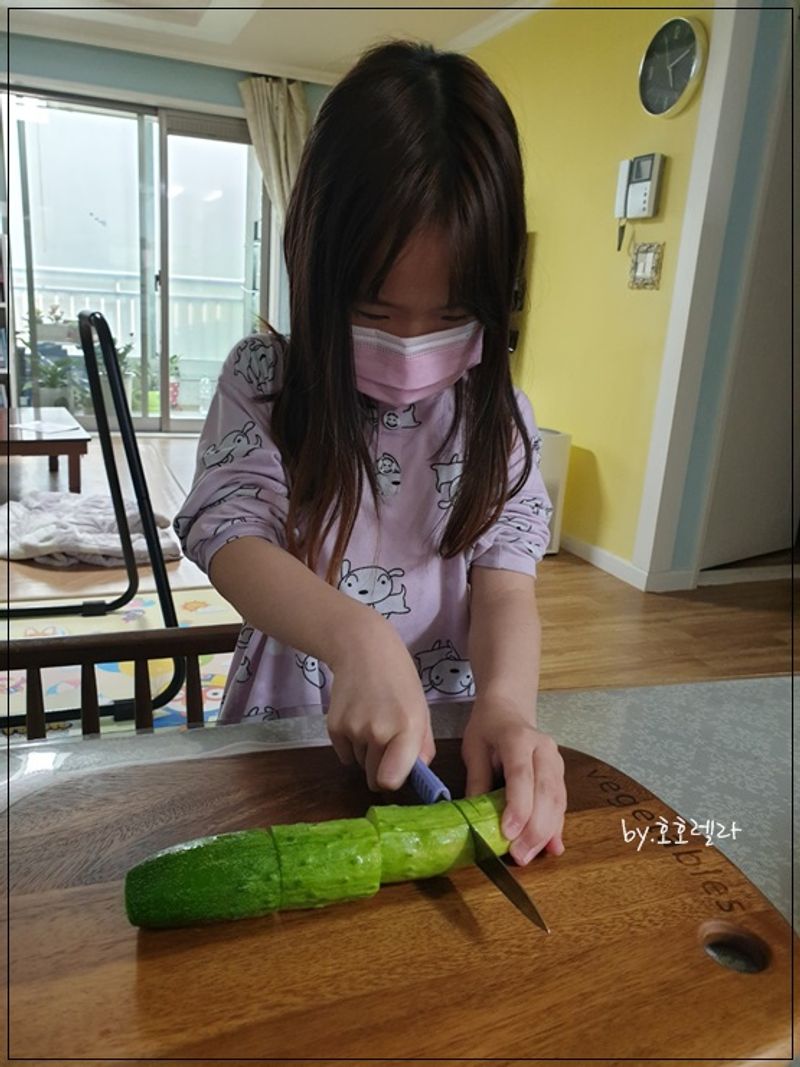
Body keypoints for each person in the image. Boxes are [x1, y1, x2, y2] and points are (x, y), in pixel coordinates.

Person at [175, 39, 567, 866]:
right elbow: (228, 530)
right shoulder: (265, 381)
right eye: (374, 311)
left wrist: (506, 706)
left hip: (446, 737)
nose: (412, 344)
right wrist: (356, 636)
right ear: (314, 269)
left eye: (451, 314)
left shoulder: (499, 418)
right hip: (289, 730)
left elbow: (506, 585)